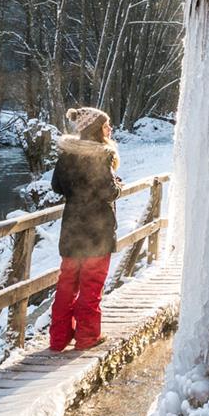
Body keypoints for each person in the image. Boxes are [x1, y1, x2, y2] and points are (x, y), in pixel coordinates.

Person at [49, 106, 122, 352]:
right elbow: (107, 192)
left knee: (66, 285)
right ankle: (87, 337)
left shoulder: (67, 155)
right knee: (91, 285)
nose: (109, 129)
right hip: (96, 232)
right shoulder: (100, 155)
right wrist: (117, 185)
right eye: (105, 125)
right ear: (96, 130)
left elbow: (57, 186)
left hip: (72, 229)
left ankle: (58, 339)